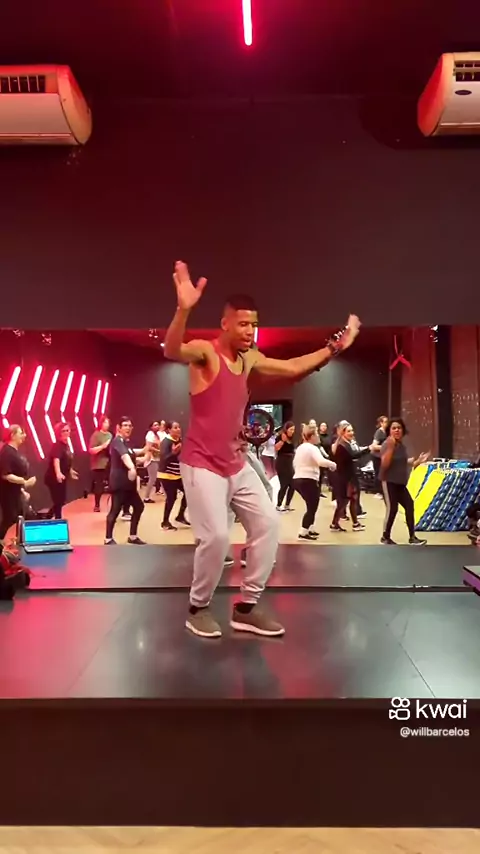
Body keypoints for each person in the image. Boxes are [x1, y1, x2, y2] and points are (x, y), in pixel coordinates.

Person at [164, 259, 361, 639]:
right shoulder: (205, 352)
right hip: (202, 463)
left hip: (236, 462)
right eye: (242, 324)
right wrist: (183, 309)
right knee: (216, 538)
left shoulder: (250, 357)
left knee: (269, 524)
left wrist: (335, 346)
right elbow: (173, 349)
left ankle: (246, 608)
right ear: (225, 324)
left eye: (253, 324)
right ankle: (198, 608)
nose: (249, 331)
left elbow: (293, 368)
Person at [380, 418, 429, 546]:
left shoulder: (401, 445)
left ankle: (412, 537)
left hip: (400, 483)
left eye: (399, 428)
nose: (397, 430)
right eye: (394, 428)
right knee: (392, 509)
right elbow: (385, 464)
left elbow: (401, 462)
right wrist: (391, 447)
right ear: (389, 431)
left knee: (409, 504)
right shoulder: (387, 444)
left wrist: (418, 462)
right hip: (389, 481)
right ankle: (385, 537)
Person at [105, 417, 147, 545]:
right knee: (115, 510)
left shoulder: (126, 443)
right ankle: (108, 539)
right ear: (119, 428)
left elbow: (131, 454)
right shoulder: (117, 441)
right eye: (125, 425)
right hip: (119, 483)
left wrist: (147, 450)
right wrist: (132, 468)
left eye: (130, 425)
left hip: (129, 484)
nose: (128, 428)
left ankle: (133, 536)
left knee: (139, 507)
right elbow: (125, 457)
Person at [293, 425, 336, 540]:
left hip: (298, 479)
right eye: (316, 434)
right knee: (312, 507)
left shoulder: (300, 448)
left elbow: (295, 463)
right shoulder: (312, 448)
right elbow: (321, 462)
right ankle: (303, 532)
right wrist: (333, 465)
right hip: (308, 480)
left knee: (311, 505)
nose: (318, 437)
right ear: (311, 436)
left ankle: (310, 528)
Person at [330, 423, 373, 532]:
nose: (351, 433)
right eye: (348, 431)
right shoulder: (342, 445)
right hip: (345, 478)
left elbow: (355, 453)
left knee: (350, 500)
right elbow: (353, 455)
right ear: (343, 432)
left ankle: (352, 523)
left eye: (352, 430)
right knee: (345, 502)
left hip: (349, 476)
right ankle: (337, 524)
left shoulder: (347, 443)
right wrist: (368, 449)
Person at [0, 425, 36, 540]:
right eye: (21, 433)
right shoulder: (7, 452)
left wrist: (21, 490)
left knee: (22, 517)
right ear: (12, 435)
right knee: (10, 521)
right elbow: (6, 475)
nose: (24, 435)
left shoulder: (13, 451)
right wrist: (24, 482)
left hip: (16, 493)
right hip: (8, 495)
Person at [158, 421, 189, 530]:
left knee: (188, 493)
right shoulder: (166, 442)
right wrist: (173, 453)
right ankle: (165, 522)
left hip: (177, 475)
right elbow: (163, 459)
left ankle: (180, 516)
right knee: (171, 498)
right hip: (166, 475)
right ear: (169, 430)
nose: (178, 429)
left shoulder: (179, 441)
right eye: (175, 427)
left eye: (179, 427)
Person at [44, 423, 79, 519]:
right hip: (53, 478)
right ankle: (57, 519)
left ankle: (48, 517)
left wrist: (70, 471)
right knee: (58, 501)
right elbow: (56, 459)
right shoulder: (57, 445)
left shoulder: (66, 445)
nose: (66, 432)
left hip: (62, 477)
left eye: (67, 430)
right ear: (58, 432)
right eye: (63, 431)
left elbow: (66, 461)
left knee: (61, 500)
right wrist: (58, 473)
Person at [89, 415, 112, 512]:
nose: (107, 424)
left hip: (109, 463)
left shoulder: (110, 435)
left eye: (108, 422)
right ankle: (97, 505)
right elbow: (91, 450)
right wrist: (103, 446)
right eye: (105, 422)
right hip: (98, 464)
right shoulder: (96, 435)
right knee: (99, 485)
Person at [275, 422, 296, 512]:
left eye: (293, 429)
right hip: (282, 462)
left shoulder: (292, 438)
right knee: (284, 484)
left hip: (290, 462)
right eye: (291, 429)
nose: (292, 431)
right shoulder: (280, 437)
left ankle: (287, 505)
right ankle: (278, 505)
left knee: (293, 484)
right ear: (286, 429)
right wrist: (282, 441)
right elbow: (276, 448)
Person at [144, 421, 163, 503]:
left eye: (158, 424)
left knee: (155, 478)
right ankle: (146, 497)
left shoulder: (157, 435)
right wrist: (159, 451)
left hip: (157, 458)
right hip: (151, 458)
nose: (157, 426)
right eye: (155, 425)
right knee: (152, 479)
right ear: (151, 427)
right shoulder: (150, 434)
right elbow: (149, 447)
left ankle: (148, 496)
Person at [371, 415, 388, 498]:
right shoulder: (379, 432)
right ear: (381, 423)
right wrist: (385, 447)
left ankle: (383, 492)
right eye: (385, 422)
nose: (387, 424)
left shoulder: (386, 432)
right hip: (377, 457)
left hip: (383, 457)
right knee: (379, 474)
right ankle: (378, 492)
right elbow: (374, 446)